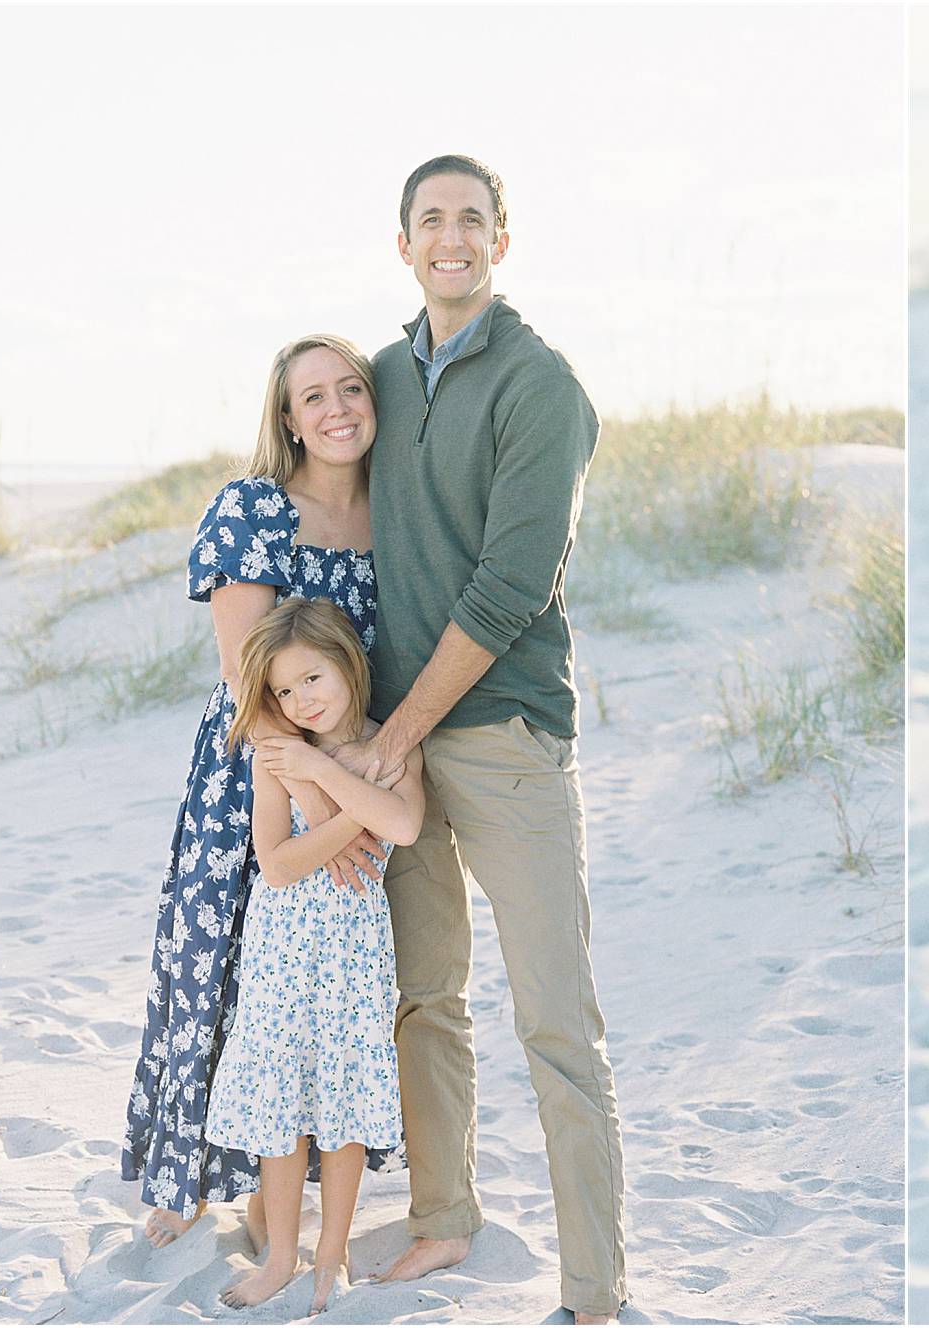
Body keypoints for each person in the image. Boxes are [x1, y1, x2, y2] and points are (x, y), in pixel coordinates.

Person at [326, 153, 625, 1322]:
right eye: (429, 220)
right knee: (421, 995)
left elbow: (510, 586)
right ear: (402, 244)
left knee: (556, 1017)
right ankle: (445, 1218)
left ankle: (593, 1290)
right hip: (395, 741)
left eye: (471, 219)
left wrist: (392, 732)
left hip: (500, 731)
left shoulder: (542, 386)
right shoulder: (384, 376)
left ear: (502, 237)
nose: (450, 237)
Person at [121, 334, 399, 1247]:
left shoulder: (398, 515)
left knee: (314, 988)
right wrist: (322, 801)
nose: (335, 409)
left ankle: (278, 1193)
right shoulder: (251, 510)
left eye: (350, 388)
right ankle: (190, 1175)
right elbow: (253, 681)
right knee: (219, 958)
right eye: (311, 396)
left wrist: (353, 787)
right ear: (286, 417)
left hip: (352, 767)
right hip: (256, 762)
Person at [204, 598, 425, 1311]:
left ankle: (331, 1259)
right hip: (282, 952)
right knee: (279, 1105)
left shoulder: (390, 746)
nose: (301, 700)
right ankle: (279, 1259)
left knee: (345, 1106)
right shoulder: (278, 756)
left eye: (312, 680)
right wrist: (327, 791)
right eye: (284, 691)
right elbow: (277, 863)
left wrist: (323, 775)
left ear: (348, 665)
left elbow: (406, 825)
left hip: (354, 956)